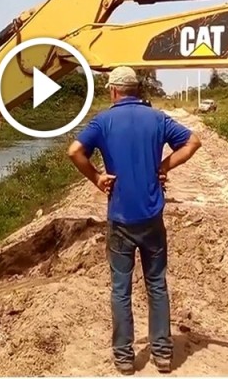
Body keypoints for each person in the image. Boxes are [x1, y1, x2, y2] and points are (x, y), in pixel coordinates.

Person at [66, 66, 202, 375]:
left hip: (120, 220)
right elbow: (193, 142)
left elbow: (74, 151)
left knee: (120, 289)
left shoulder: (103, 121)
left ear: (113, 90)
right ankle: (163, 355)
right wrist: (164, 166)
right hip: (152, 217)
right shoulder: (156, 118)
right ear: (136, 89)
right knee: (157, 285)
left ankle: (125, 358)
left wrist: (98, 178)